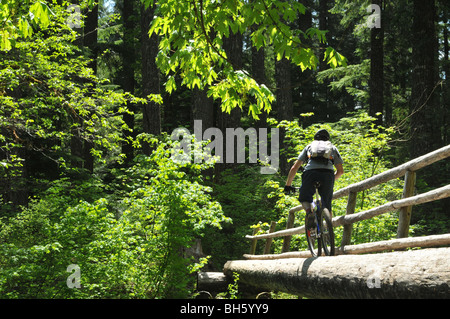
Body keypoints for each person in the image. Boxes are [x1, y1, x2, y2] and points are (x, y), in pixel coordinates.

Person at [284, 129, 344, 229]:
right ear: (327, 139)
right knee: (327, 202)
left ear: (315, 138)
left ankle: (309, 212)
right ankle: (329, 232)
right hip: (327, 174)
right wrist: (331, 179)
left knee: (304, 197)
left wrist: (288, 185)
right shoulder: (332, 148)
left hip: (310, 173)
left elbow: (294, 167)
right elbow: (340, 171)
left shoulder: (309, 147)